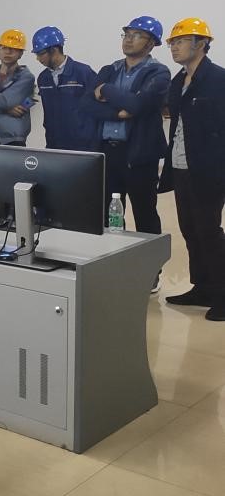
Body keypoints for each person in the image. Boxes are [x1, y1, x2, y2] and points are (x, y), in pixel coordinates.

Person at [79, 16, 169, 236]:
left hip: (139, 155)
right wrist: (117, 113)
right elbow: (86, 104)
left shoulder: (158, 72)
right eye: (126, 34)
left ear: (151, 43)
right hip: (107, 152)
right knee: (110, 216)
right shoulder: (110, 69)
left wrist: (106, 90)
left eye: (137, 35)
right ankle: (115, 254)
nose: (129, 39)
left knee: (145, 215)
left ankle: (151, 259)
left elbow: (136, 105)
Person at [159, 18, 225, 319]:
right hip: (181, 166)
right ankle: (203, 287)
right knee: (190, 229)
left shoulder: (218, 79)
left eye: (180, 41)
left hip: (210, 169)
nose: (174, 47)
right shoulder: (178, 82)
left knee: (209, 231)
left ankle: (222, 293)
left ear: (201, 44)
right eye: (172, 42)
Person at [31, 26, 99, 152]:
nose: (38, 59)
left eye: (41, 54)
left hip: (83, 145)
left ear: (54, 50)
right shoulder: (43, 78)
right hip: (54, 143)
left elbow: (98, 106)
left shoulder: (83, 72)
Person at [0, 29, 35, 146]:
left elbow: (5, 100)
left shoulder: (26, 77)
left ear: (21, 53)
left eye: (13, 48)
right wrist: (5, 110)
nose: (8, 52)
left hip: (13, 138)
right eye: (4, 48)